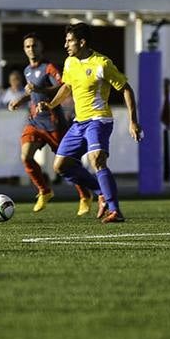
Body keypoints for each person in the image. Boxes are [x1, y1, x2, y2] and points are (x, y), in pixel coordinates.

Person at [36, 22, 143, 224]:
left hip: (99, 120)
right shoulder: (70, 62)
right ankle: (99, 192)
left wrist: (133, 122)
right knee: (60, 166)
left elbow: (126, 89)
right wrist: (51, 105)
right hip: (80, 122)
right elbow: (67, 87)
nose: (66, 45)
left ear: (82, 42)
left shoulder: (102, 63)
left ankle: (115, 210)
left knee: (97, 159)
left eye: (70, 41)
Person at [7, 34, 93, 215]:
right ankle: (44, 191)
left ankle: (85, 195)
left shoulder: (49, 67)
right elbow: (32, 93)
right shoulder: (27, 70)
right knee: (26, 156)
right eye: (27, 46)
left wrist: (38, 89)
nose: (31, 49)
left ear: (40, 47)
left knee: (67, 164)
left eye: (34, 45)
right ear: (24, 49)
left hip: (54, 123)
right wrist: (20, 100)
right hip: (35, 121)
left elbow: (62, 86)